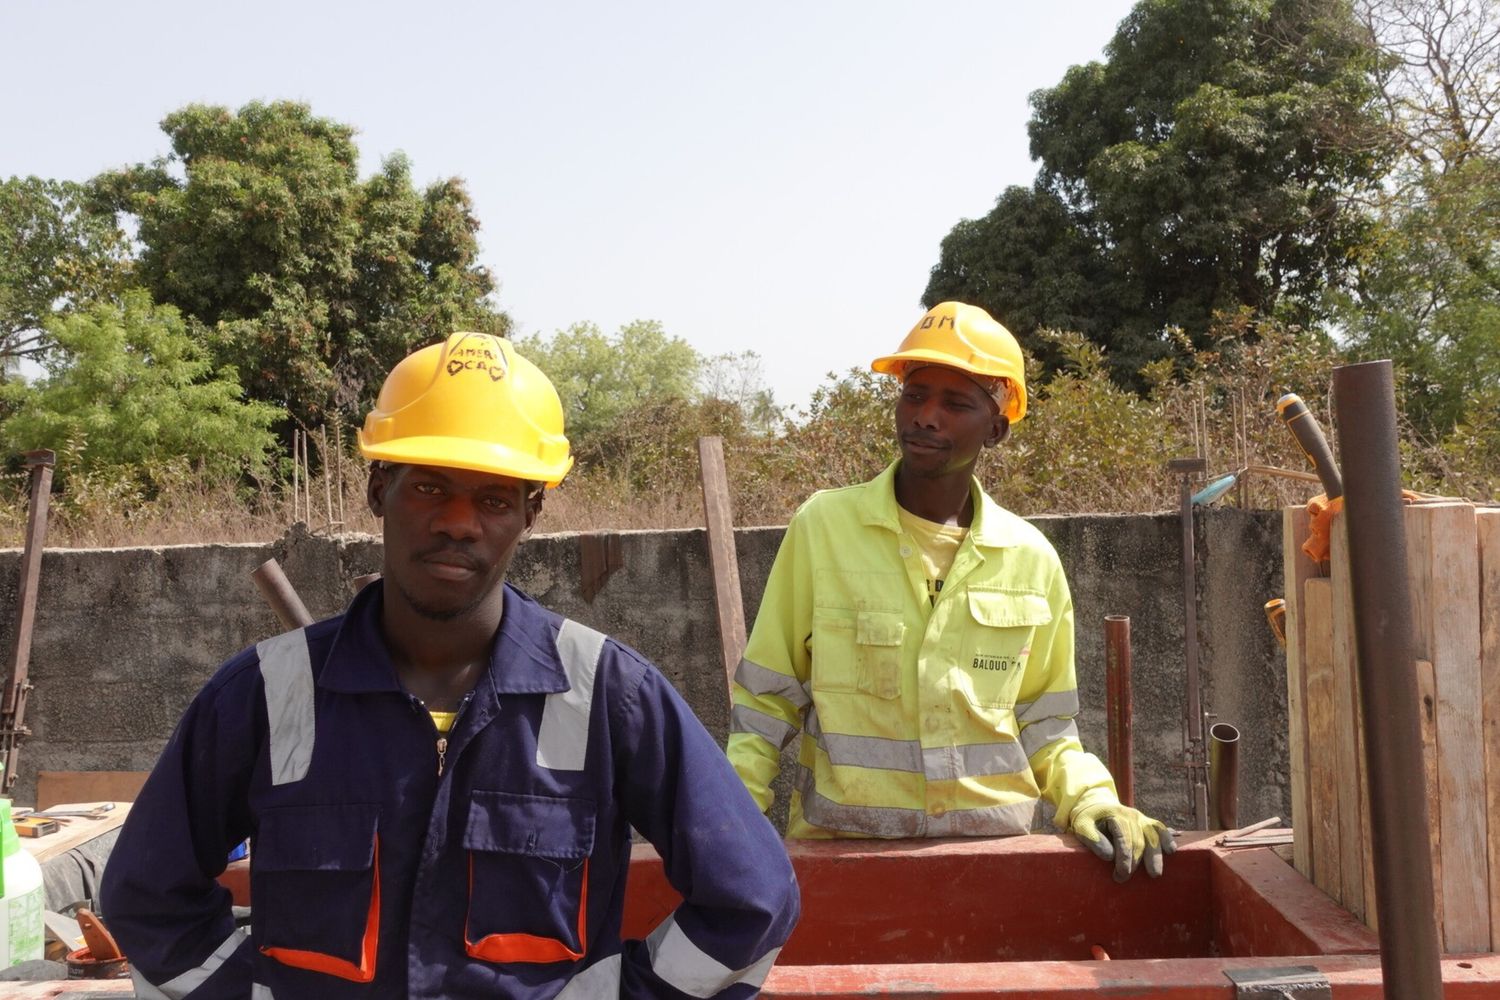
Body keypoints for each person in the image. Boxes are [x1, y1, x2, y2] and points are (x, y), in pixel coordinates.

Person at [101, 332, 799, 999]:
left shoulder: (610, 695)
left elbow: (752, 898)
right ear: (379, 490)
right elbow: (146, 896)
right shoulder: (265, 695)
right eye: (430, 488)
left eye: (493, 498)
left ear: (531, 511)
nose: (459, 522)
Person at [727, 301, 1174, 881]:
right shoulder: (824, 529)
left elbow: (1047, 725)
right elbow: (767, 704)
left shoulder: (1030, 558)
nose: (926, 417)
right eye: (915, 395)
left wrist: (1093, 799)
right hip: (844, 861)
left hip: (994, 866)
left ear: (996, 426)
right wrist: (731, 818)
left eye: (955, 403)